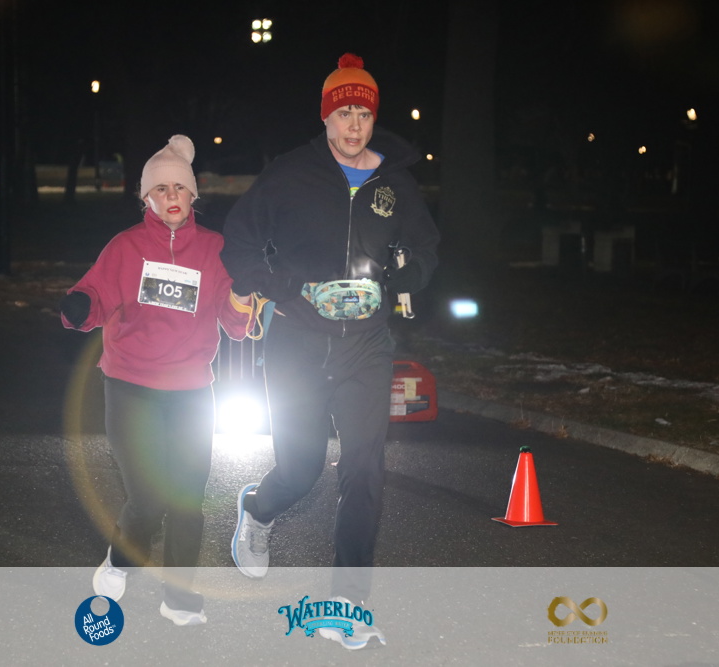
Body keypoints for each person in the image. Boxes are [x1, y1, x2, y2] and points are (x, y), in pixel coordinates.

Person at [220, 53, 440, 649]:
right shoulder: (289, 174)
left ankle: (348, 603)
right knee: (302, 468)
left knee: (364, 466)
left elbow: (426, 250)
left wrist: (399, 278)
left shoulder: (395, 183)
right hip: (296, 340)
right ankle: (258, 508)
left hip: (365, 343)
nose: (353, 126)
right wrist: (288, 288)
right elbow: (238, 244)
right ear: (325, 117)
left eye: (363, 115)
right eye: (343, 114)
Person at [60, 135, 254, 626]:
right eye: (161, 188)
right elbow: (95, 295)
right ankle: (122, 558)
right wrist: (80, 306)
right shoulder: (125, 247)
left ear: (193, 196)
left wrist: (242, 299)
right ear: (146, 197)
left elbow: (236, 323)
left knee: (187, 502)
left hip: (192, 391)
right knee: (149, 498)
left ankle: (181, 601)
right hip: (132, 387)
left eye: (180, 188)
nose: (171, 196)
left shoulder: (214, 250)